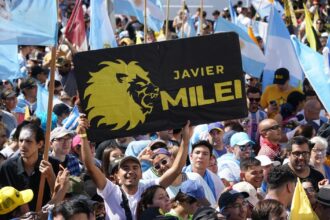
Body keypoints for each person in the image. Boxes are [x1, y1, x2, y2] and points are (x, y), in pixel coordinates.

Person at [79, 117, 190, 220]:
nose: (131, 171)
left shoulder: (148, 187)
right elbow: (90, 166)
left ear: (141, 173)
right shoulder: (110, 190)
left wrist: (185, 139)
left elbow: (176, 169)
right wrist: (83, 136)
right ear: (117, 175)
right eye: (125, 168)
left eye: (135, 167)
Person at [0, 123, 60, 212]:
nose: (23, 145)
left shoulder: (53, 165)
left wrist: (51, 176)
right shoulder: (7, 167)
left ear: (39, 144)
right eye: (21, 141)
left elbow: (61, 198)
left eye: (28, 141)